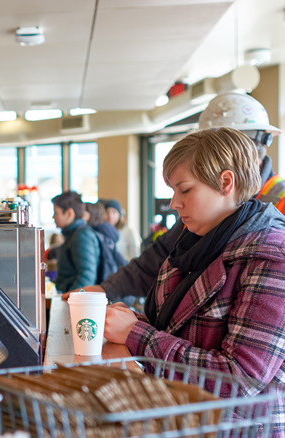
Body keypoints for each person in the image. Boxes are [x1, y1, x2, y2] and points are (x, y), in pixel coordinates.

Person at [104, 127, 285, 434]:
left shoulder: (271, 255)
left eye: (184, 190)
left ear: (226, 182)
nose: (174, 203)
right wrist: (131, 322)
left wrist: (136, 333)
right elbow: (178, 330)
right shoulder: (198, 242)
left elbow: (239, 380)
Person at [72, 92, 285, 302]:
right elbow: (159, 258)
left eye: (185, 189)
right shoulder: (203, 210)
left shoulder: (277, 216)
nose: (175, 203)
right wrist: (105, 290)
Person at [51, 191, 100, 293]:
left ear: (69, 213)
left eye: (56, 212)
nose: (53, 217)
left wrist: (71, 299)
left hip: (76, 303)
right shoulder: (73, 234)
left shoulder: (81, 235)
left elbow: (87, 276)